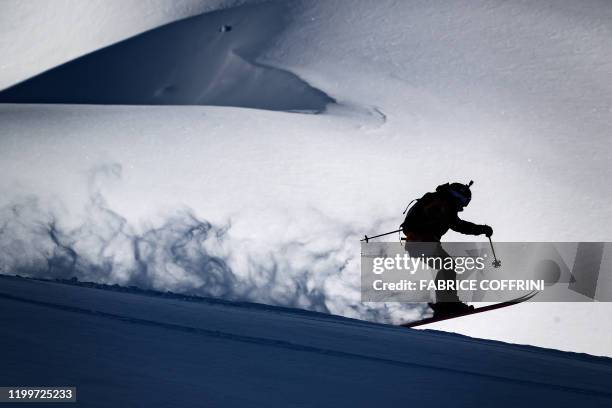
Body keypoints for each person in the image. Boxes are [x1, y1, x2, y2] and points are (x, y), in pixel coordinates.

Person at [401, 181, 493, 318]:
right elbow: (459, 225)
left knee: (447, 266)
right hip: (421, 240)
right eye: (463, 202)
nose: (462, 206)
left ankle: (446, 303)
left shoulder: (438, 200)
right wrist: (481, 229)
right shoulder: (443, 202)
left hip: (418, 241)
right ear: (457, 196)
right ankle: (447, 304)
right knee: (447, 266)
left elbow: (453, 223)